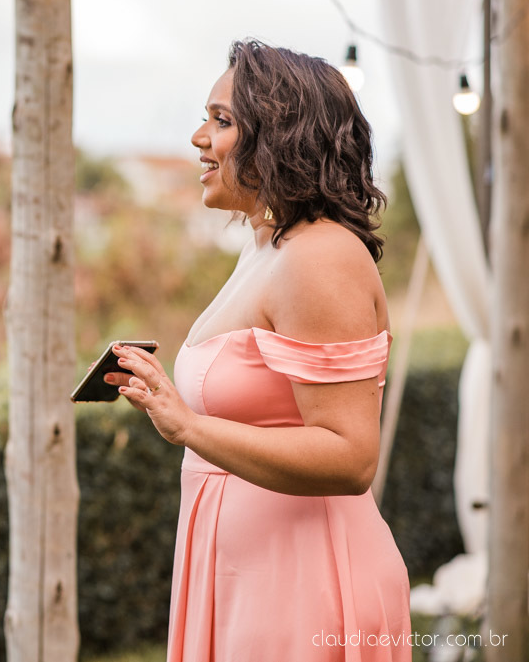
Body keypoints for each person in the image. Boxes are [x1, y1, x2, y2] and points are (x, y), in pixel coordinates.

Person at [106, 39, 411, 661]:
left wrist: (187, 425)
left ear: (280, 135)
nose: (197, 137)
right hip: (245, 577)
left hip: (304, 584)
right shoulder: (264, 244)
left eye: (221, 121)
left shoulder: (321, 256)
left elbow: (350, 457)